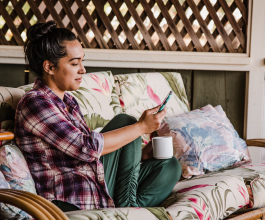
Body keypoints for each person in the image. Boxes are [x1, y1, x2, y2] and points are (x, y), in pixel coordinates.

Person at [14, 20, 181, 211]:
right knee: (126, 122)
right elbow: (85, 148)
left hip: (96, 180)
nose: (83, 70)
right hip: (74, 195)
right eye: (75, 63)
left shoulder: (69, 102)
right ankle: (128, 208)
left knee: (170, 166)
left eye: (82, 61)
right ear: (49, 67)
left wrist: (138, 156)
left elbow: (91, 156)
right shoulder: (35, 103)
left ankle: (126, 211)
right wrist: (140, 128)